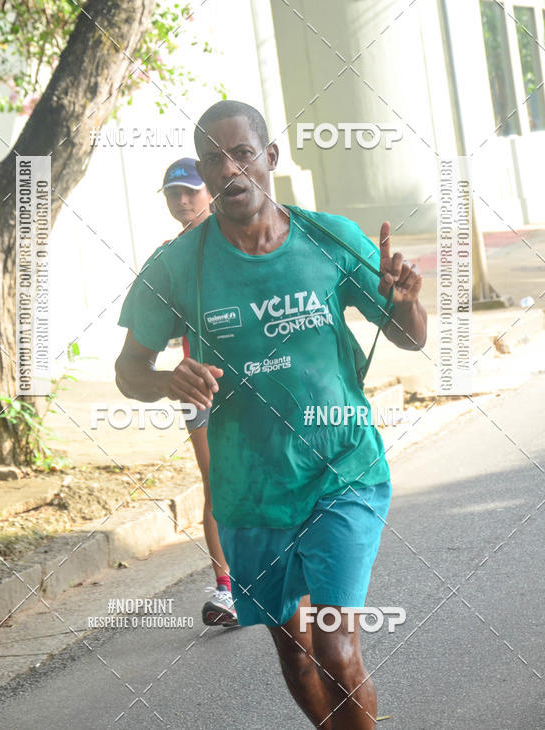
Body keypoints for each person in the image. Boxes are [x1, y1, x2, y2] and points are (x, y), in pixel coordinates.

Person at [116, 102, 427, 729]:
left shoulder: (330, 238)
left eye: (242, 153)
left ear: (271, 158)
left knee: (337, 648)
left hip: (342, 470)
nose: (229, 169)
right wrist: (161, 379)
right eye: (213, 158)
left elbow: (411, 338)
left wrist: (405, 304)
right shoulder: (177, 267)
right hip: (250, 494)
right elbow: (128, 372)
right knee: (297, 652)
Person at [159, 157, 237, 627]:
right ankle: (226, 588)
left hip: (252, 381)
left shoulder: (236, 241)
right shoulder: (169, 256)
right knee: (216, 484)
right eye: (174, 193)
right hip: (199, 385)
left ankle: (285, 570)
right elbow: (161, 328)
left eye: (191, 190)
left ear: (209, 191)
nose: (183, 200)